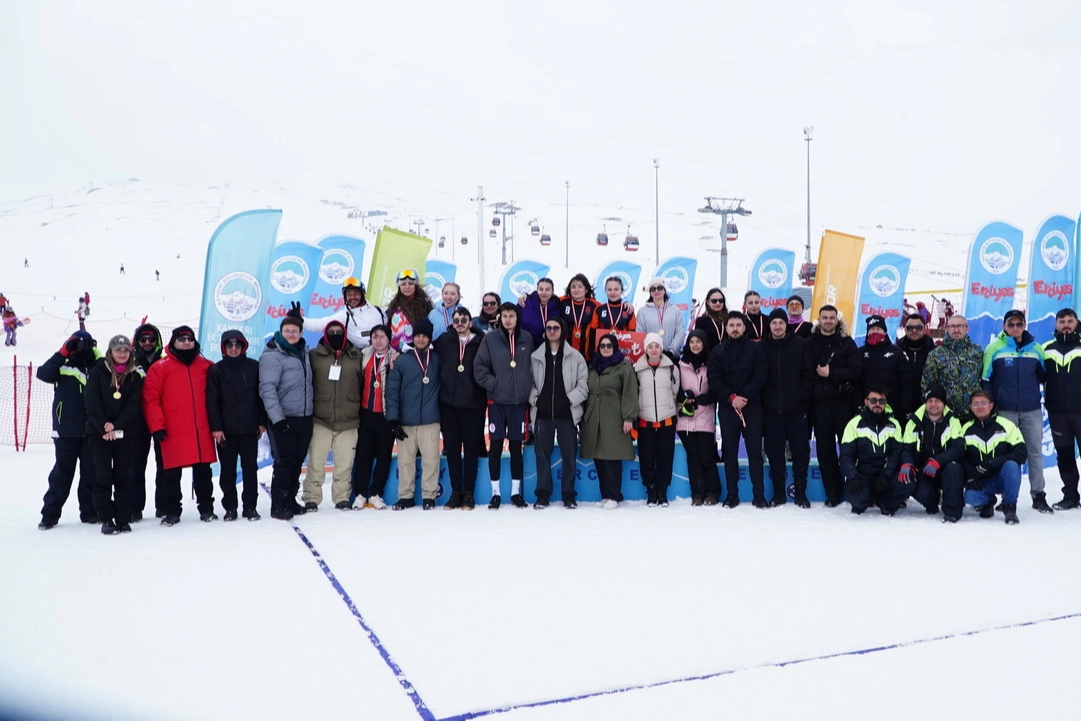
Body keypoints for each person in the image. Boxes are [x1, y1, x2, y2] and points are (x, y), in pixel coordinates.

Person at [142, 326, 219, 525]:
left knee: (203, 473)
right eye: (182, 339)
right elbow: (150, 399)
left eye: (189, 339)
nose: (186, 343)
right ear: (173, 342)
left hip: (200, 430)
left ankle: (206, 509)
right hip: (172, 430)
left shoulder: (207, 366)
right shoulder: (160, 368)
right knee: (170, 474)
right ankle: (172, 511)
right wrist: (157, 426)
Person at [980, 309, 1052, 513]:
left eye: (1019, 324)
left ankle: (1038, 495)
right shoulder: (994, 348)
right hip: (1005, 411)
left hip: (1031, 410)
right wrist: (991, 408)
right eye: (1010, 324)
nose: (1015, 328)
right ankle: (1007, 497)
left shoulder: (1035, 348)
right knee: (1007, 455)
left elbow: (1045, 377)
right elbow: (986, 380)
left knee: (1034, 453)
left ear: (1024, 325)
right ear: (1004, 326)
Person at [37, 331, 100, 529]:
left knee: (91, 474)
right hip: (66, 431)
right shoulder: (63, 364)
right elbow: (43, 374)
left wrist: (98, 354)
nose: (81, 349)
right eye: (76, 344)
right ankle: (49, 515)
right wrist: (63, 351)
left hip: (92, 430)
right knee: (61, 475)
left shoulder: (99, 365)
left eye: (85, 344)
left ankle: (90, 513)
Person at [474, 302, 534, 509]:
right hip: (496, 402)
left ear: (517, 317)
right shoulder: (490, 339)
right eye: (505, 316)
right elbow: (479, 366)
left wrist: (527, 387)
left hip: (519, 403)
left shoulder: (527, 338)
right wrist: (495, 384)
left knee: (517, 447)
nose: (508, 320)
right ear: (500, 318)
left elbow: (534, 366)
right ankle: (495, 493)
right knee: (496, 447)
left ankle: (516, 493)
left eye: (512, 316)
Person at [84, 335, 144, 534]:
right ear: (111, 352)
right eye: (118, 350)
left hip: (124, 433)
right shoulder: (97, 372)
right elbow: (91, 402)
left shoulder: (134, 376)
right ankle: (106, 518)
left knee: (123, 477)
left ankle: (123, 519)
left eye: (126, 350)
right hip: (99, 434)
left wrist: (116, 425)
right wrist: (104, 427)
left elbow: (133, 406)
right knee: (103, 477)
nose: (122, 354)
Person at [708, 311, 768, 507]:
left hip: (752, 407)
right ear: (726, 328)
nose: (735, 329)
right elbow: (714, 379)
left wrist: (744, 396)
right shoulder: (717, 351)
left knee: (754, 453)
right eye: (731, 325)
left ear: (744, 327)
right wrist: (732, 398)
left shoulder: (756, 349)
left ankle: (759, 495)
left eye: (738, 325)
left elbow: (761, 375)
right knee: (730, 452)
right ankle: (732, 495)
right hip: (728, 408)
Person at [259, 312, 314, 520]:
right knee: (285, 461)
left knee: (297, 460)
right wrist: (278, 418)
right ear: (280, 332)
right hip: (283, 418)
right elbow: (267, 389)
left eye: (295, 331)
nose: (291, 334)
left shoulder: (304, 352)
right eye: (287, 331)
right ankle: (278, 504)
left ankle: (290, 499)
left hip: (304, 417)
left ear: (301, 333)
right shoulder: (272, 355)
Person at [206, 330, 266, 521]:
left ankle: (250, 507)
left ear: (243, 347)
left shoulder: (254, 367)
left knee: (250, 470)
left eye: (237, 345)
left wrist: (262, 422)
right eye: (229, 345)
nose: (233, 349)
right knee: (227, 471)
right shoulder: (216, 370)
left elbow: (261, 397)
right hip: (226, 432)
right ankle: (230, 508)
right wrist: (216, 428)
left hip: (250, 430)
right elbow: (212, 401)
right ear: (223, 347)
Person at [302, 320, 362, 511]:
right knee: (316, 462)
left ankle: (342, 497)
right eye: (332, 332)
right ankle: (311, 497)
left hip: (349, 419)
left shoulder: (356, 356)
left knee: (344, 464)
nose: (336, 335)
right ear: (325, 335)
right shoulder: (314, 356)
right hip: (321, 418)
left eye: (339, 332)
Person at [529, 317, 589, 508]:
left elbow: (583, 386)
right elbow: (528, 383)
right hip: (542, 415)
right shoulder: (535, 357)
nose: (552, 331)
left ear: (562, 331)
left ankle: (568, 495)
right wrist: (536, 399)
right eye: (549, 328)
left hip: (567, 414)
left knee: (569, 457)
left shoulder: (576, 357)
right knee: (542, 456)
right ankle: (543, 494)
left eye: (556, 328)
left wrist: (568, 400)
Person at [807, 305, 862, 507]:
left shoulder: (847, 343)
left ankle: (855, 490)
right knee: (825, 452)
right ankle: (833, 494)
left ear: (837, 320)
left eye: (832, 317)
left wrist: (832, 373)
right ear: (819, 319)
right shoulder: (810, 343)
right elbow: (805, 372)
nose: (828, 321)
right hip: (819, 406)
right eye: (825, 317)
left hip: (843, 404)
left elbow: (856, 370)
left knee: (849, 450)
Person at [386, 317, 442, 510]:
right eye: (417, 335)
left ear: (430, 338)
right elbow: (392, 391)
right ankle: (405, 496)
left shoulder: (438, 359)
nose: (420, 339)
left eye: (424, 336)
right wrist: (393, 419)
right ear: (412, 337)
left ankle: (429, 496)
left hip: (431, 420)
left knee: (431, 461)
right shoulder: (401, 360)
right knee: (405, 461)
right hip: (406, 422)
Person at [434, 307, 487, 510]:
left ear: (470, 322)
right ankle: (455, 492)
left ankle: (468, 493)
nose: (460, 324)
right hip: (449, 404)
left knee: (471, 450)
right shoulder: (444, 341)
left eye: (464, 320)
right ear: (452, 323)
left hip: (473, 404)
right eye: (456, 320)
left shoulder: (481, 342)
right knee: (453, 451)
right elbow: (422, 346)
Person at [761, 308, 814, 507]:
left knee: (801, 453)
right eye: (774, 323)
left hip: (796, 410)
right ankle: (778, 494)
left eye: (781, 323)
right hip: (772, 411)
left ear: (786, 324)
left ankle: (800, 493)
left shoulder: (800, 345)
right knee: (775, 454)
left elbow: (808, 374)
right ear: (770, 325)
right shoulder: (762, 347)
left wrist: (802, 397)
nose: (777, 327)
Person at [580, 333, 638, 509]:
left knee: (612, 457)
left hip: (614, 417)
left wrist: (628, 417)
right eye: (602, 346)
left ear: (615, 347)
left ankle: (614, 495)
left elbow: (630, 393)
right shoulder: (592, 366)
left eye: (609, 346)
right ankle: (605, 494)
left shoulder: (624, 367)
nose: (605, 349)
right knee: (598, 457)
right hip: (594, 416)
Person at [899, 385, 965, 522]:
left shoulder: (953, 421)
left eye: (937, 401)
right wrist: (907, 463)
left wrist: (937, 461)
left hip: (945, 467)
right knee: (922, 492)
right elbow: (907, 448)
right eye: (930, 401)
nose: (933, 404)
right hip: (924, 469)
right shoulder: (914, 422)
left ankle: (952, 511)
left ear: (944, 403)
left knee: (954, 469)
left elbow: (958, 449)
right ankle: (932, 501)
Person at [838, 386, 907, 515]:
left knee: (908, 482)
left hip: (885, 475)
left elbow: (896, 454)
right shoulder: (854, 424)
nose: (877, 404)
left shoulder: (894, 425)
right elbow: (846, 456)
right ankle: (865, 500)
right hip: (862, 474)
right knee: (857, 498)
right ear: (866, 402)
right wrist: (853, 476)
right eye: (873, 400)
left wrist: (886, 475)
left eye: (881, 401)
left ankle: (884, 502)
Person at [960, 390, 1025, 524]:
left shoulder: (1007, 425)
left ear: (991, 405)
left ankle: (1010, 507)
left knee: (1012, 465)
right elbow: (961, 457)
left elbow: (1021, 453)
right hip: (982, 479)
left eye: (984, 403)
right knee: (970, 497)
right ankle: (988, 502)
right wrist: (971, 476)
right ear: (970, 407)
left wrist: (992, 462)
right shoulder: (965, 429)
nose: (980, 407)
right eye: (976, 404)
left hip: (1002, 477)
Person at [676, 330, 722, 505]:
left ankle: (712, 492)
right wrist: (682, 396)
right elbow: (673, 388)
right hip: (685, 419)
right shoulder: (679, 365)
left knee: (707, 457)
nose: (695, 345)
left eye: (698, 342)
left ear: (704, 343)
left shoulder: (711, 363)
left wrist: (702, 399)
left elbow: (716, 389)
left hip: (704, 416)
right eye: (692, 341)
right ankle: (697, 493)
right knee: (693, 459)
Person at [634, 332, 680, 506]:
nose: (654, 350)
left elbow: (675, 392)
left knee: (665, 457)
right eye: (650, 346)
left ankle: (663, 491)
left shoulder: (672, 368)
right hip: (645, 419)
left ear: (661, 348)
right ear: (645, 349)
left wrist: (668, 406)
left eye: (657, 346)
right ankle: (651, 490)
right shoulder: (636, 369)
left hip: (666, 419)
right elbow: (634, 393)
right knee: (646, 457)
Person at [1043, 308, 1081, 510]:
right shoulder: (1046, 349)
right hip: (1057, 413)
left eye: (1070, 321)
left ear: (1077, 323)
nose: (1066, 325)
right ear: (1056, 325)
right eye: (1062, 321)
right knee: (1065, 455)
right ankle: (1070, 496)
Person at [353, 325, 394, 510]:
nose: (378, 340)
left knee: (384, 455)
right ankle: (360, 494)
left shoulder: (395, 357)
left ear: (389, 339)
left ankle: (376, 493)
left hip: (385, 414)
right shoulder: (363, 355)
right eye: (375, 337)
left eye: (382, 337)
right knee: (363, 454)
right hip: (366, 412)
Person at [129, 322, 164, 521]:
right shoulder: (129, 363)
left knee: (165, 464)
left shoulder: (165, 361)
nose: (148, 342)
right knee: (135, 465)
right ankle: (134, 507)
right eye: (143, 339)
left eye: (151, 339)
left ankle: (164, 506)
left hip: (161, 419)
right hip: (136, 420)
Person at [922, 315, 983, 423]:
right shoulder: (936, 354)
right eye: (952, 326)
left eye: (960, 326)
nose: (956, 329)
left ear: (967, 328)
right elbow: (928, 383)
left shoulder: (977, 352)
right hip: (946, 415)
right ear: (947, 328)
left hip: (973, 413)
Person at [303, 277, 387, 349]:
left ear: (363, 294)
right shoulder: (344, 316)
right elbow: (318, 324)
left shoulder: (379, 311)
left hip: (384, 355)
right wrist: (300, 320)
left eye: (356, 293)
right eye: (349, 294)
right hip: (361, 357)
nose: (352, 297)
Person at [859, 314, 910, 409]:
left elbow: (906, 382)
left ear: (884, 331)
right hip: (867, 406)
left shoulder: (897, 352)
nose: (875, 331)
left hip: (892, 406)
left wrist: (904, 407)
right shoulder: (860, 353)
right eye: (872, 329)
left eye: (878, 328)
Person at [896, 313, 936, 421]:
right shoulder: (896, 352)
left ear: (924, 329)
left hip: (928, 407)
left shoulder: (935, 352)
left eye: (918, 327)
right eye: (910, 328)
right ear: (905, 329)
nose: (914, 330)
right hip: (900, 408)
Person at [585, 276, 636, 358]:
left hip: (622, 353)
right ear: (605, 291)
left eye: (616, 289)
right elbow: (593, 335)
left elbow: (633, 335)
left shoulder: (628, 310)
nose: (612, 292)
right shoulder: (599, 310)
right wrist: (593, 355)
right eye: (609, 289)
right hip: (603, 353)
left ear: (622, 291)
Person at [386, 268, 434, 351]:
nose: (407, 287)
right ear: (399, 286)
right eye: (403, 284)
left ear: (415, 285)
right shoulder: (393, 305)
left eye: (411, 283)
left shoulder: (424, 305)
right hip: (394, 351)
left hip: (415, 351)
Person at [637, 277, 686, 358]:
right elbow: (640, 334)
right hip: (650, 357)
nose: (656, 291)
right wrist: (650, 351)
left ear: (664, 290)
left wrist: (671, 351)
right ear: (650, 292)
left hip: (671, 356)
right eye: (653, 289)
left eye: (659, 288)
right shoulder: (642, 311)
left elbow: (680, 332)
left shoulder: (675, 310)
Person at [560, 274, 600, 355]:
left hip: (585, 353)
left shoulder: (594, 305)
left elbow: (610, 308)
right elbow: (544, 298)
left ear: (586, 289)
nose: (576, 290)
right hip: (564, 352)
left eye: (580, 287)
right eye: (573, 287)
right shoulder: (562, 301)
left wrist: (626, 305)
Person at [519, 279, 561, 347]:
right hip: (527, 345)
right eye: (541, 289)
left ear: (552, 291)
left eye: (547, 289)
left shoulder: (558, 305)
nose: (544, 293)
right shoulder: (525, 302)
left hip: (549, 345)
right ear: (537, 290)